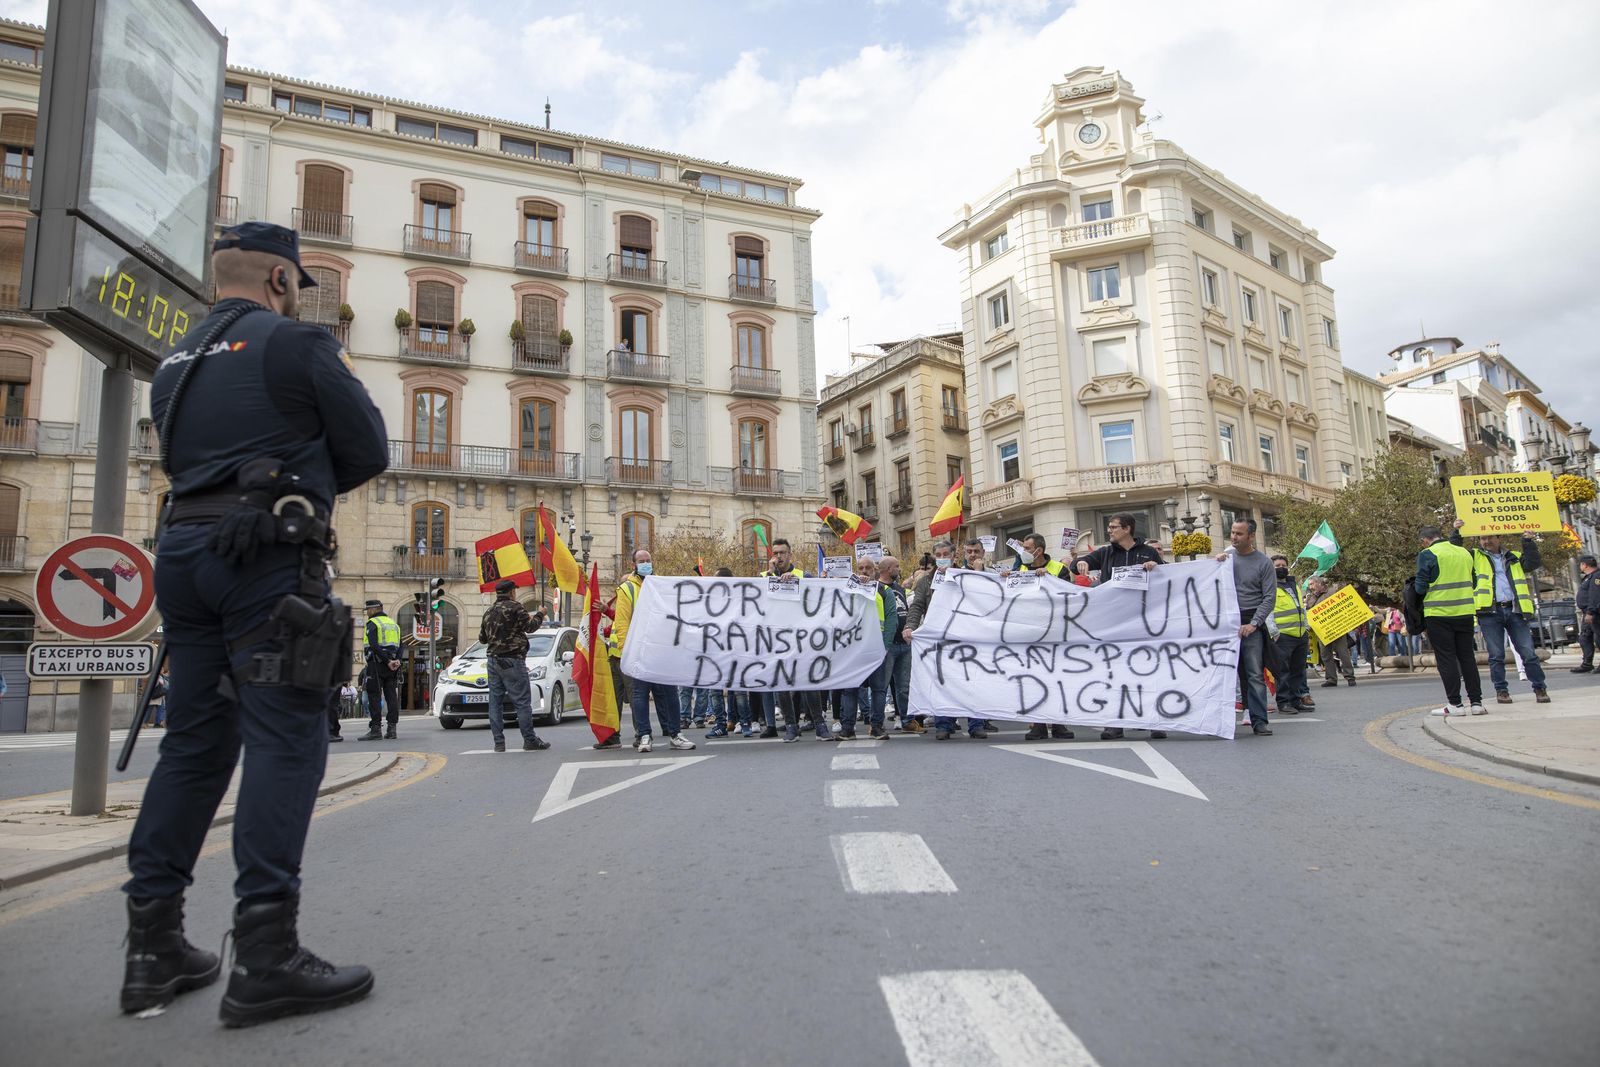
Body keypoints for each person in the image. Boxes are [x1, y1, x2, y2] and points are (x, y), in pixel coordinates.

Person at [122, 222, 385, 1025]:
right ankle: (266, 955)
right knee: (285, 736)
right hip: (267, 557)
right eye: (296, 283)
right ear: (279, 279)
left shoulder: (172, 365)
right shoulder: (295, 345)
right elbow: (368, 447)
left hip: (185, 553)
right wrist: (293, 483)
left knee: (196, 744)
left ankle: (151, 949)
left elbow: (180, 461)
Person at [1075, 514, 1166, 740]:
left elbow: (1167, 579)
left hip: (1143, 622)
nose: (1110, 530)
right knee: (1115, 673)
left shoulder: (1148, 552)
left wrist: (1156, 566)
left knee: (1148, 672)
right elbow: (1079, 566)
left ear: (1127, 529)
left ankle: (1155, 721)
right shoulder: (1106, 553)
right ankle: (1115, 723)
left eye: (1113, 527)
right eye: (1109, 527)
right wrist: (1081, 563)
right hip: (1114, 622)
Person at [1450, 519, 1549, 704]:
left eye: (1489, 537)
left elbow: (1533, 562)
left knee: (1528, 653)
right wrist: (1456, 532)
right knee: (1496, 655)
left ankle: (1540, 688)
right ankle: (1501, 691)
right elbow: (1456, 553)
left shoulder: (1515, 557)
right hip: (1490, 613)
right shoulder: (1474, 557)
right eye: (1482, 538)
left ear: (1499, 537)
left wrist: (1527, 540)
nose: (1486, 541)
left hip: (1516, 611)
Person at [610, 549, 695, 753]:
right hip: (640, 651)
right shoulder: (626, 589)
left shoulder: (662, 585)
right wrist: (626, 653)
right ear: (634, 565)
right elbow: (622, 624)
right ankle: (645, 736)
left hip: (663, 651)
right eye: (641, 561)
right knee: (640, 695)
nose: (646, 563)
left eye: (648, 560)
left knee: (670, 694)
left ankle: (675, 735)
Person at [909, 540, 988, 740]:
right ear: (935, 557)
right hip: (938, 638)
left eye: (947, 554)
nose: (943, 557)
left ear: (954, 556)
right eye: (939, 554)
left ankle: (975, 724)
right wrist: (909, 626)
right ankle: (944, 724)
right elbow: (917, 605)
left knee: (970, 682)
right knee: (941, 682)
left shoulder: (965, 575)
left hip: (965, 636)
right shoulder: (926, 580)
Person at [759, 538, 834, 741]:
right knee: (784, 685)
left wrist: (796, 583)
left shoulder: (803, 575)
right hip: (778, 640)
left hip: (803, 639)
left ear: (790, 555)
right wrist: (772, 576)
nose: (779, 557)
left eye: (782, 553)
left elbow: (816, 598)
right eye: (775, 553)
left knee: (810, 682)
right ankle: (791, 725)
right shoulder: (764, 577)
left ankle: (819, 724)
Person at [1415, 524, 1485, 716]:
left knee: (1447, 660)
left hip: (1438, 614)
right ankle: (1477, 703)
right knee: (1467, 658)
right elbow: (1475, 581)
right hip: (1464, 612)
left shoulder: (1427, 554)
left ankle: (1455, 705)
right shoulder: (1464, 553)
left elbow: (1420, 587)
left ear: (1425, 540)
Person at [1215, 519, 1276, 735]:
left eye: (1239, 534)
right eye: (1232, 532)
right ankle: (1219, 720)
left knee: (1253, 674)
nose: (1234, 537)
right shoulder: (1225, 559)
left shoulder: (1263, 563)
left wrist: (1254, 624)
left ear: (1250, 536)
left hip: (1251, 623)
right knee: (1224, 672)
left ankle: (1259, 720)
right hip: (1227, 622)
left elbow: (1269, 598)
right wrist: (1215, 564)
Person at [478, 579, 554, 752]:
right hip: (512, 659)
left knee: (495, 702)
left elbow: (482, 638)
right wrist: (541, 614)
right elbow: (531, 627)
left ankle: (499, 743)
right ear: (512, 592)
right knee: (522, 702)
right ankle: (529, 740)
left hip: (493, 660)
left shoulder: (489, 611)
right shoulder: (515, 607)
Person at [834, 556, 896, 739]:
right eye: (860, 568)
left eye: (868, 568)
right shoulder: (848, 591)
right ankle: (848, 729)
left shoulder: (885, 592)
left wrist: (884, 649)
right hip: (854, 651)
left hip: (876, 651)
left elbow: (891, 621)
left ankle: (876, 726)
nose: (864, 571)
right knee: (850, 689)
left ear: (875, 569)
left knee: (878, 690)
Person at [879, 556, 919, 733]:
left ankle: (907, 720)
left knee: (904, 687)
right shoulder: (877, 589)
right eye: (896, 566)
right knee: (881, 686)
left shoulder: (900, 589)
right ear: (888, 569)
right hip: (887, 646)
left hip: (904, 644)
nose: (899, 569)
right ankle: (877, 722)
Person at [1271, 556, 1313, 715]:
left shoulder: (1293, 584)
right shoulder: (1269, 585)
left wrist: (1306, 627)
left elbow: (1300, 607)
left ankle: (1296, 700)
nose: (1281, 567)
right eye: (1277, 565)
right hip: (1283, 635)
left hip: (1300, 633)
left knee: (1298, 670)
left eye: (1283, 565)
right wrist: (1274, 631)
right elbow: (1268, 610)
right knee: (1283, 671)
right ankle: (1283, 702)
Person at [359, 600, 402, 740]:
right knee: (391, 696)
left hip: (377, 664)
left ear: (374, 609)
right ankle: (392, 729)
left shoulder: (373, 623)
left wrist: (386, 661)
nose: (367, 612)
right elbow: (401, 645)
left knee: (374, 695)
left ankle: (376, 729)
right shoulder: (393, 624)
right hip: (393, 666)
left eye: (368, 610)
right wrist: (397, 661)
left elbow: (373, 645)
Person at [1306, 577, 1357, 689]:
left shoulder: (1332, 592)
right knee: (1325, 655)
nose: (1311, 587)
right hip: (1322, 631)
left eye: (1312, 584)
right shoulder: (1311, 597)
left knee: (1343, 653)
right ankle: (1331, 679)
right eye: (1309, 585)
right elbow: (1309, 611)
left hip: (1336, 628)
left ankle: (1350, 676)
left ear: (1319, 583)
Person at [1571, 555, 1597, 674]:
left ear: (1584, 565)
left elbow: (1595, 596)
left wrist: (1591, 612)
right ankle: (1587, 663)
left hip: (1594, 612)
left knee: (1598, 638)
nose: (1580, 567)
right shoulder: (1588, 577)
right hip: (1588, 612)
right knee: (1585, 637)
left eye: (1580, 564)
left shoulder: (1596, 576)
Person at [148, 663, 170, 728]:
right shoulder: (156, 676)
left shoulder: (162, 676)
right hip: (155, 695)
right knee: (149, 710)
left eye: (162, 669)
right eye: (161, 669)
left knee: (161, 709)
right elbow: (160, 685)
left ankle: (158, 723)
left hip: (160, 696)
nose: (162, 670)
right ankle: (145, 723)